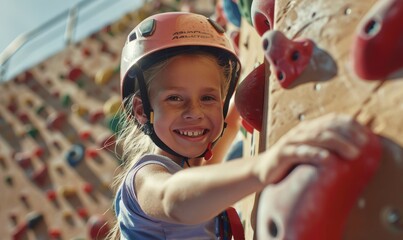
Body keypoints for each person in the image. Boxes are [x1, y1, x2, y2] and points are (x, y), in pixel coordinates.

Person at [108, 12, 370, 239]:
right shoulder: (144, 180)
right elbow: (172, 198)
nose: (195, 113)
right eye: (175, 98)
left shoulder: (196, 165)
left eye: (208, 98)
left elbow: (230, 122)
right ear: (143, 111)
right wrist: (264, 166)